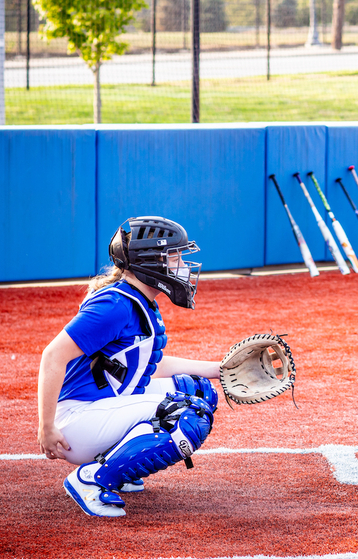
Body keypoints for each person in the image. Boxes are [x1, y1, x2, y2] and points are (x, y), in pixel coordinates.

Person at [37, 216, 222, 517]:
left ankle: (121, 464)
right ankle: (91, 480)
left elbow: (148, 365)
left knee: (197, 389)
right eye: (175, 257)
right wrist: (46, 427)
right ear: (151, 261)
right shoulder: (115, 306)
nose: (184, 267)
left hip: (102, 405)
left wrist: (218, 368)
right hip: (77, 420)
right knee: (185, 414)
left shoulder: (137, 298)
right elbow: (52, 356)